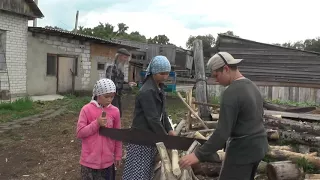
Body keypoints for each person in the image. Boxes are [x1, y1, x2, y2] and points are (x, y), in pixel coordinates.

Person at [179, 52, 269, 180]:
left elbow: (222, 132)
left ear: (226, 69)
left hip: (242, 151)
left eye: (216, 75)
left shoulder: (231, 92)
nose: (216, 80)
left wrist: (198, 155)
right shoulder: (252, 86)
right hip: (259, 148)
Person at [122, 55, 176, 180]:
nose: (165, 76)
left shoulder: (159, 87)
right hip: (142, 137)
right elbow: (152, 118)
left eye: (167, 73)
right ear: (154, 72)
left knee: (147, 169)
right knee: (138, 172)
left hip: (151, 135)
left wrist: (169, 129)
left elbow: (163, 112)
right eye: (162, 73)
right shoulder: (147, 91)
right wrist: (164, 138)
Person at [76, 78, 122, 180]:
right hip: (88, 163)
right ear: (98, 94)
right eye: (106, 96)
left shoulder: (115, 112)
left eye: (112, 96)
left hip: (107, 163)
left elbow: (117, 135)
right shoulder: (86, 110)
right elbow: (80, 133)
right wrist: (97, 123)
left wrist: (118, 155)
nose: (109, 99)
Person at [105, 48, 137, 117]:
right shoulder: (111, 68)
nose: (126, 60)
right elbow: (111, 85)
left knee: (118, 115)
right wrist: (127, 87)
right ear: (119, 57)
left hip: (117, 96)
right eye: (125, 57)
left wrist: (128, 83)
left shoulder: (119, 68)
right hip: (111, 97)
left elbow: (119, 81)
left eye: (127, 58)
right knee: (113, 116)